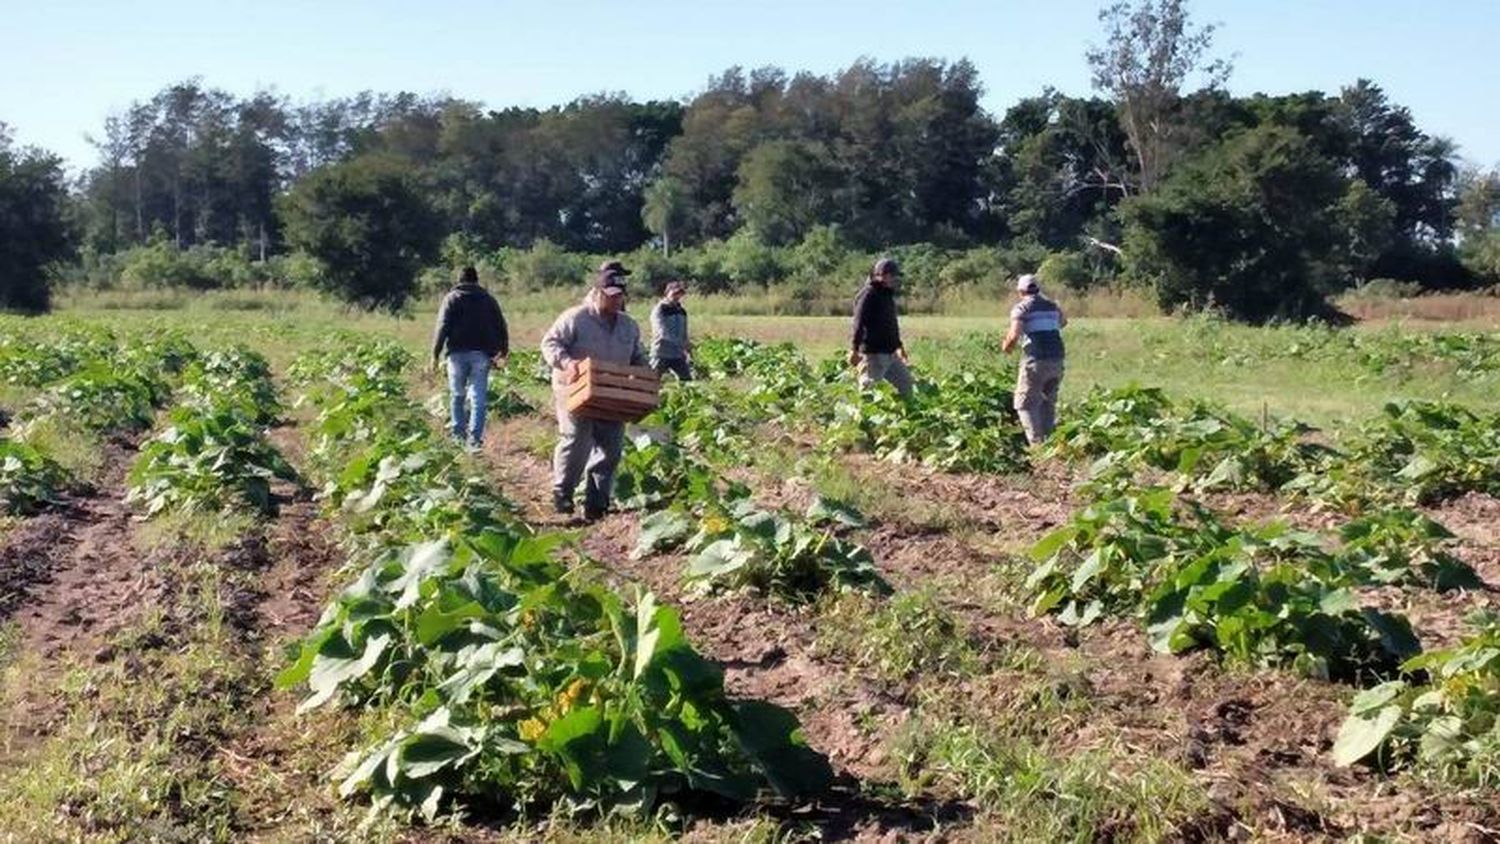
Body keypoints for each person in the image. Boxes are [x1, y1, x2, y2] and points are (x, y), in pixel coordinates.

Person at [540, 264, 648, 521]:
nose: (614, 299)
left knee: (611, 447)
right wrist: (567, 363)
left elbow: (637, 356)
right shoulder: (576, 317)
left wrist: (647, 373)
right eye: (609, 294)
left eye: (619, 295)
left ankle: (597, 502)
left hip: (611, 391)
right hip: (575, 387)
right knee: (577, 439)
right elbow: (550, 343)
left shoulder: (628, 326)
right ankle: (563, 491)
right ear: (597, 291)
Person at [431, 265, 508, 451]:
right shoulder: (488, 300)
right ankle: (475, 441)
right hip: (481, 355)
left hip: (456, 355)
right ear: (476, 280)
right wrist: (503, 351)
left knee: (457, 395)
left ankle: (458, 436)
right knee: (478, 398)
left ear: (459, 280)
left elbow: (442, 326)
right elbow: (500, 324)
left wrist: (435, 354)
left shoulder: (451, 299)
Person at [1002, 273, 1067, 445]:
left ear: (1020, 291)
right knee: (1048, 402)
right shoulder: (1053, 306)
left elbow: (1014, 334)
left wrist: (1007, 346)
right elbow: (1063, 322)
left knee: (1025, 402)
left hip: (1036, 358)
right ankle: (1050, 443)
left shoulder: (1021, 308)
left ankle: (1037, 445)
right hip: (1057, 358)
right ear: (1038, 288)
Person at [848, 257, 912, 398]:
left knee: (906, 384)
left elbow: (891, 325)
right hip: (874, 354)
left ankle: (904, 417)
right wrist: (854, 350)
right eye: (894, 276)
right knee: (868, 391)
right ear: (885, 275)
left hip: (890, 354)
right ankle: (860, 419)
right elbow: (858, 323)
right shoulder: (868, 294)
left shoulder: (886, 295)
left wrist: (899, 347)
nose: (896, 280)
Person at [650, 280, 693, 381]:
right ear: (667, 293)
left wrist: (688, 348)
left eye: (680, 294)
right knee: (651, 381)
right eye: (674, 293)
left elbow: (684, 333)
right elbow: (662, 332)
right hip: (661, 353)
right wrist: (681, 343)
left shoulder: (681, 311)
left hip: (677, 354)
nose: (677, 296)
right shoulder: (660, 309)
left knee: (687, 382)